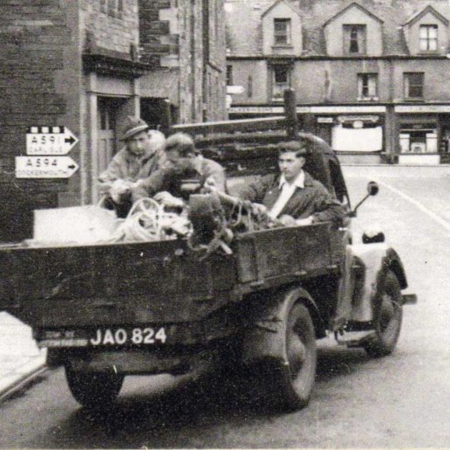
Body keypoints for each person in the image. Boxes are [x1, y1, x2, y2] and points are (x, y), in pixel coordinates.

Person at [215, 140, 345, 227]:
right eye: (281, 161)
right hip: (259, 231)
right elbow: (248, 191)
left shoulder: (314, 188)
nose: (284, 166)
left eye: (289, 161)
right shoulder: (270, 180)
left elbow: (337, 210)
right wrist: (252, 204)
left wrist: (302, 222)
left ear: (302, 162)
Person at [131, 132, 227, 208]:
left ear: (189, 156)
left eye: (174, 162)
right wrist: (149, 211)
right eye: (168, 161)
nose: (169, 165)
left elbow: (215, 203)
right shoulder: (170, 169)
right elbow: (140, 189)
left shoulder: (212, 170)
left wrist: (180, 203)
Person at [98, 116, 166, 217]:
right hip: (127, 208)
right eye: (133, 141)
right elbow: (103, 182)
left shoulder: (159, 154)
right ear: (127, 143)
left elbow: (165, 177)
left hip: (155, 206)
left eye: (141, 140)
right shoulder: (121, 157)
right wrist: (117, 185)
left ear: (149, 137)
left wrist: (143, 185)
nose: (138, 145)